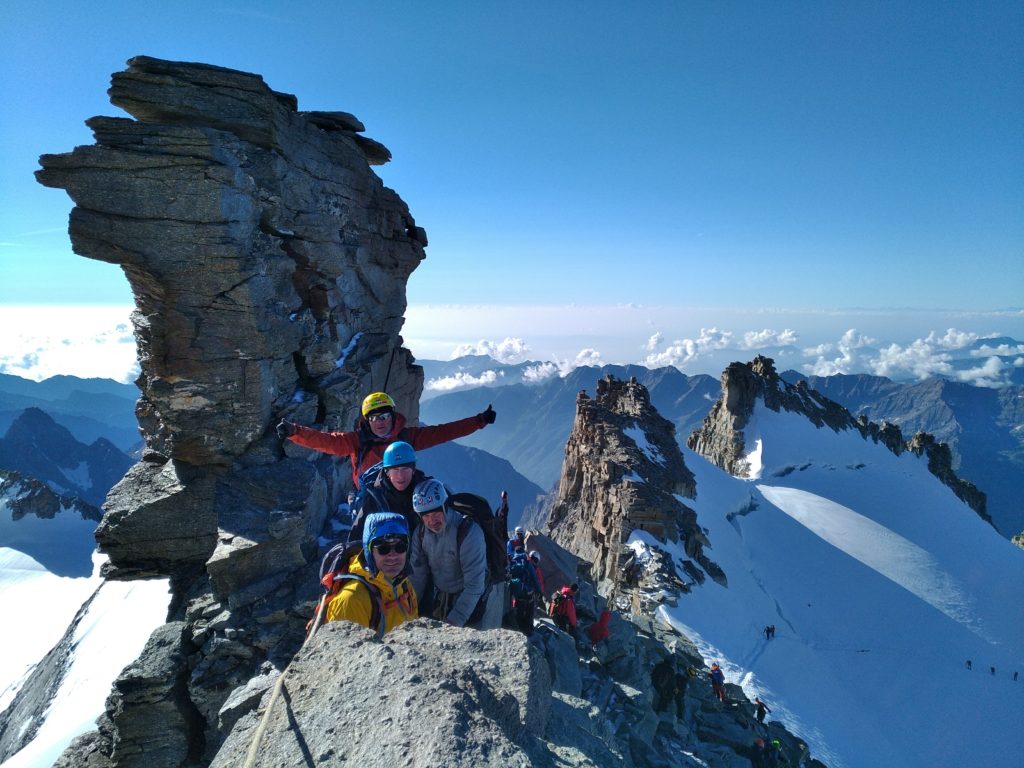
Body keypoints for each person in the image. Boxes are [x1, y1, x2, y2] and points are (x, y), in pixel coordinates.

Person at [277, 391, 496, 487]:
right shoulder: (356, 441)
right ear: (367, 421)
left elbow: (444, 432)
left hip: (402, 489)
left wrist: (479, 421)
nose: (380, 421)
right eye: (374, 417)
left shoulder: (407, 436)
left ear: (392, 417)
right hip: (370, 495)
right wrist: (294, 431)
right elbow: (325, 441)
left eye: (384, 416)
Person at [409, 478, 490, 628]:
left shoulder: (468, 533)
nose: (431, 521)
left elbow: (474, 585)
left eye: (435, 513)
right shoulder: (420, 534)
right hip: (441, 598)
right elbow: (417, 576)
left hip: (472, 600)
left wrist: (454, 622)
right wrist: (407, 611)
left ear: (445, 506)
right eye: (425, 516)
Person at [325, 512, 417, 635]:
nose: (392, 555)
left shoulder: (403, 583)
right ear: (369, 552)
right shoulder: (351, 600)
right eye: (383, 548)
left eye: (400, 547)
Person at [347, 441, 430, 543]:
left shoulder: (427, 490)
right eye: (395, 469)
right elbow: (356, 537)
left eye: (405, 469)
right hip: (388, 554)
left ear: (413, 470)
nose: (400, 475)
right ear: (386, 472)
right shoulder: (374, 498)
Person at [507, 549, 543, 636]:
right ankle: (528, 631)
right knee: (529, 611)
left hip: (517, 591)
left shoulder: (516, 561)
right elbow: (536, 580)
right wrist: (539, 592)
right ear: (536, 559)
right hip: (527, 592)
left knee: (519, 609)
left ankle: (518, 628)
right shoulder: (529, 565)